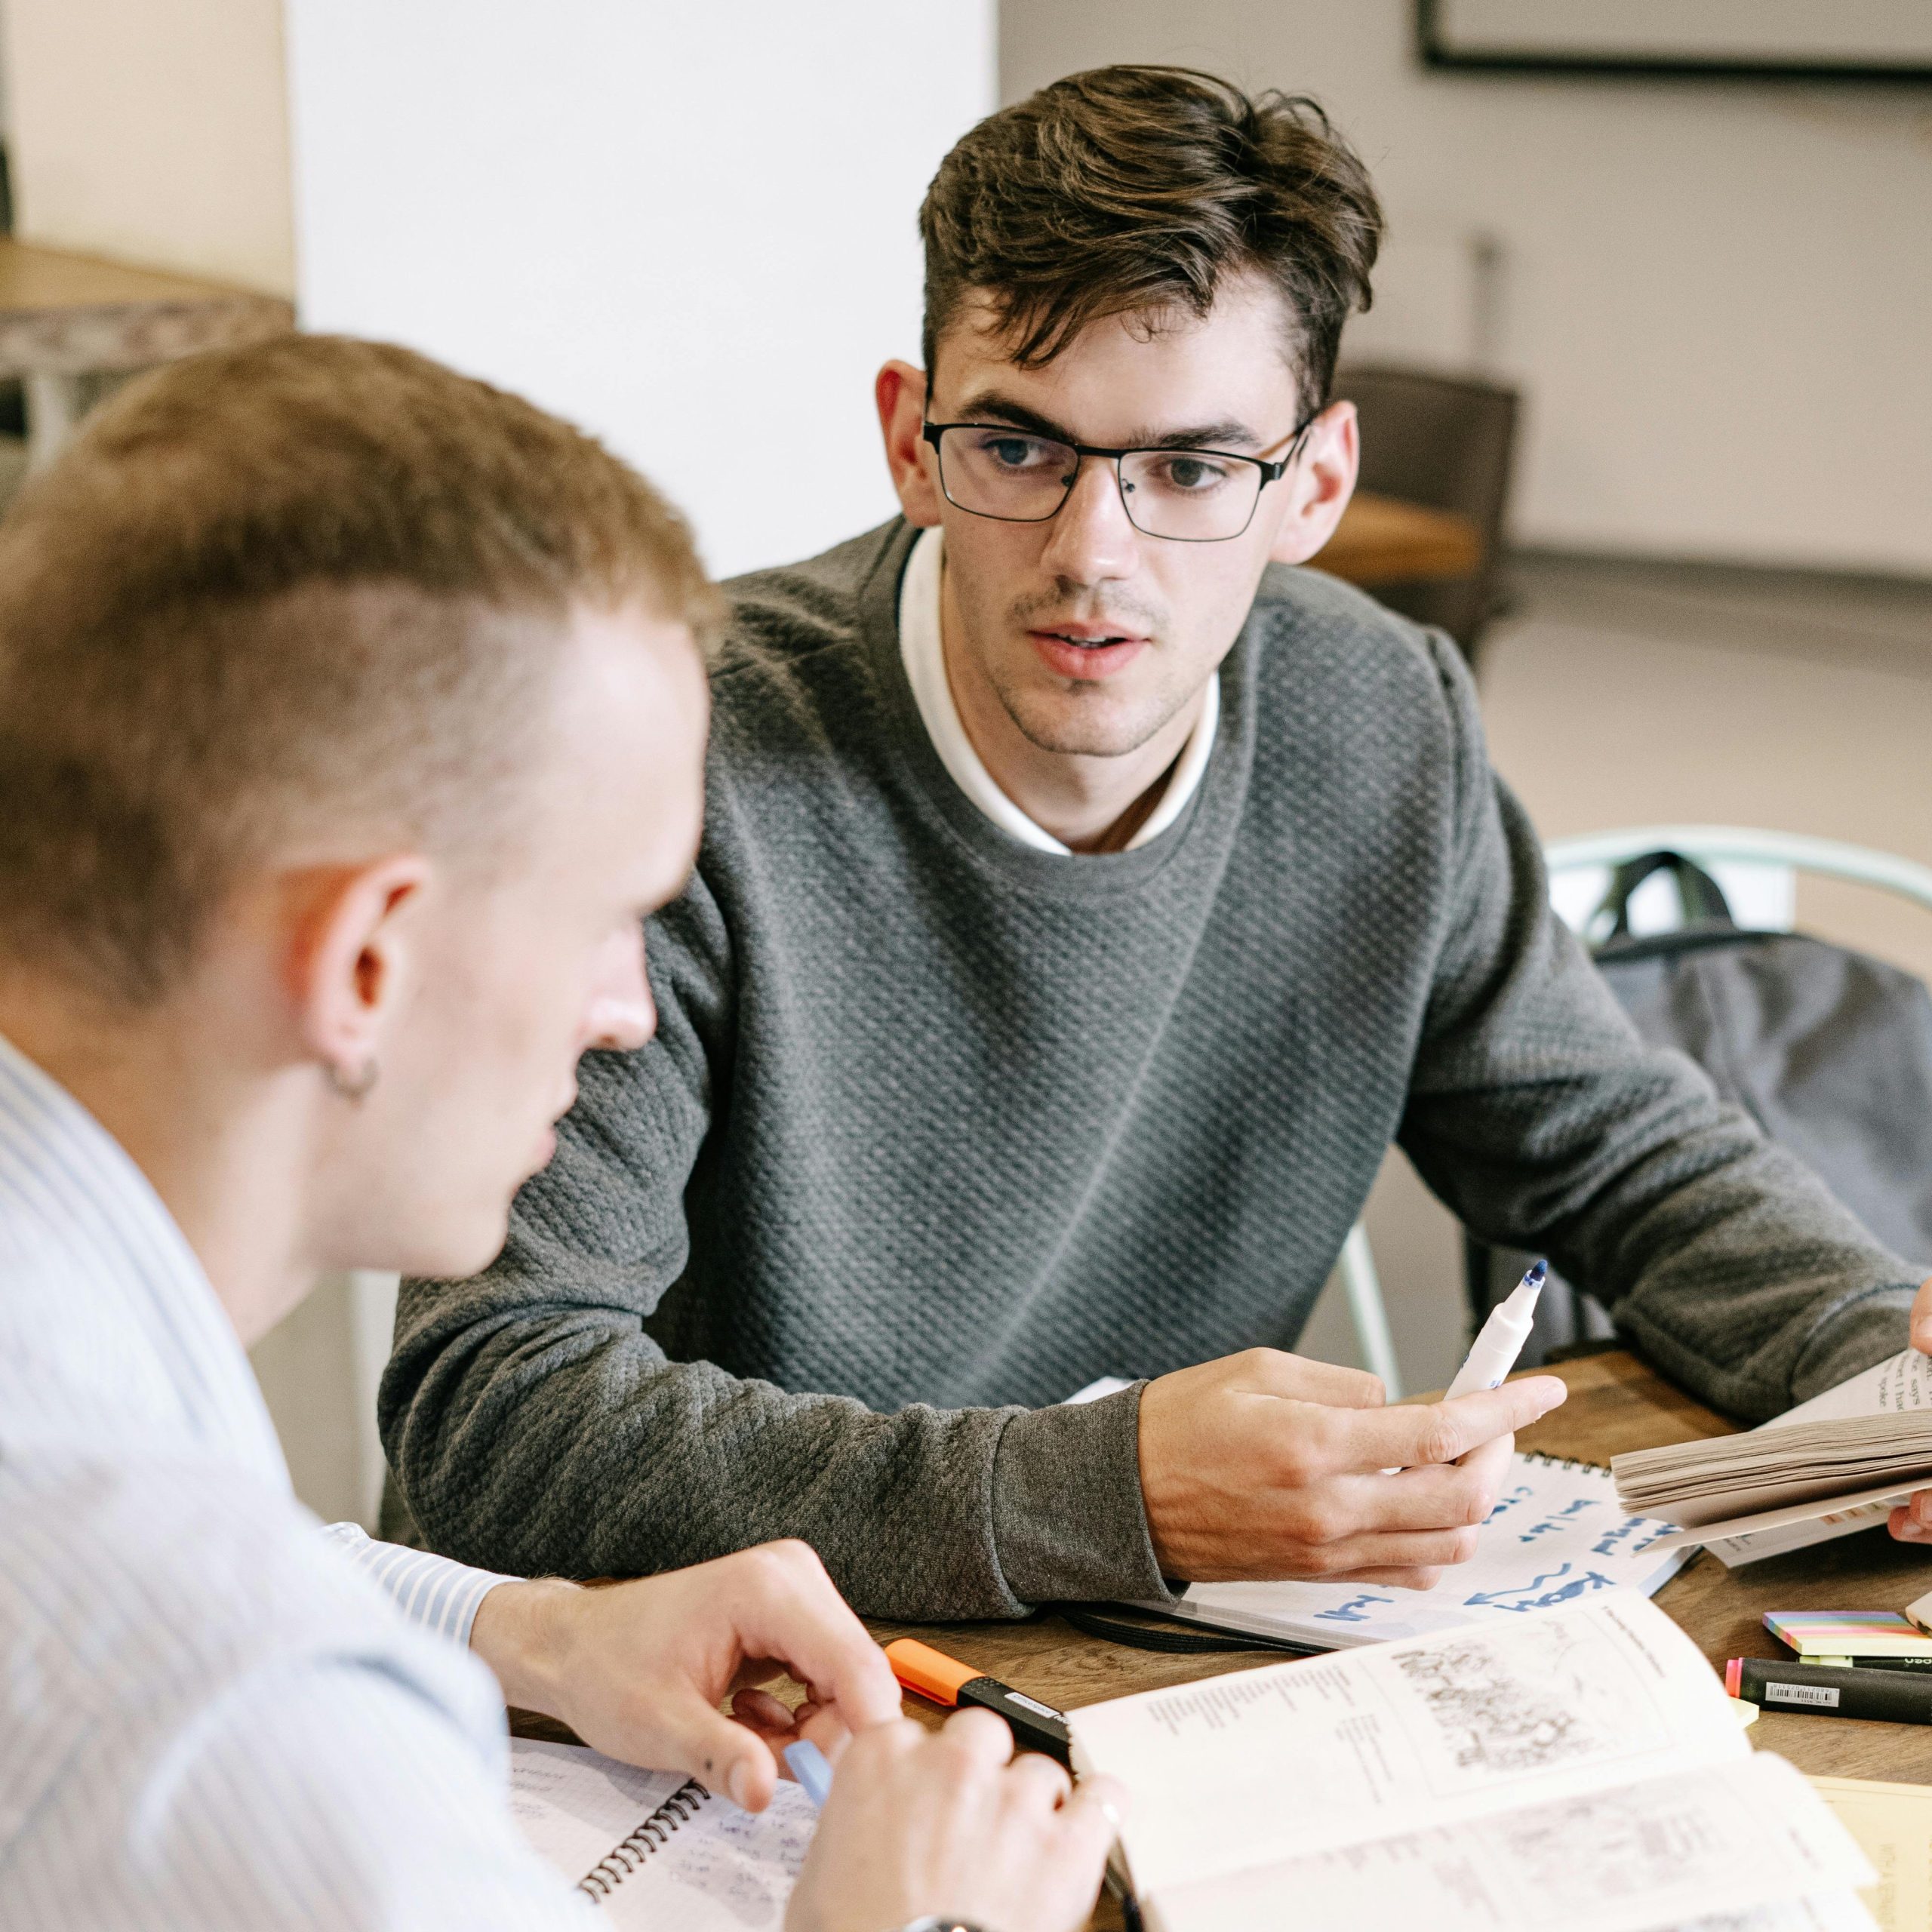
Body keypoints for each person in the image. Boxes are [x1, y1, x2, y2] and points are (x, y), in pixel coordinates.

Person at [381, 63, 1932, 1622]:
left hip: (1144, 1667)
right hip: (689, 1709)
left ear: (1312, 483)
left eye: (1189, 468)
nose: (1089, 554)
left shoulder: (1377, 714)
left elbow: (1613, 1153)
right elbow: (494, 1412)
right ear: (910, 441)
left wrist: (1885, 1362)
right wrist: (1106, 1487)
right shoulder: (667, 759)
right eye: (1017, 448)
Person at [0, 335, 1119, 1930]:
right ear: (368, 962)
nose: (626, 1009)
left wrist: (529, 1627)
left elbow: (203, 1536)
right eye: (611, 917)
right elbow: (191, 1624)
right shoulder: (236, 1719)